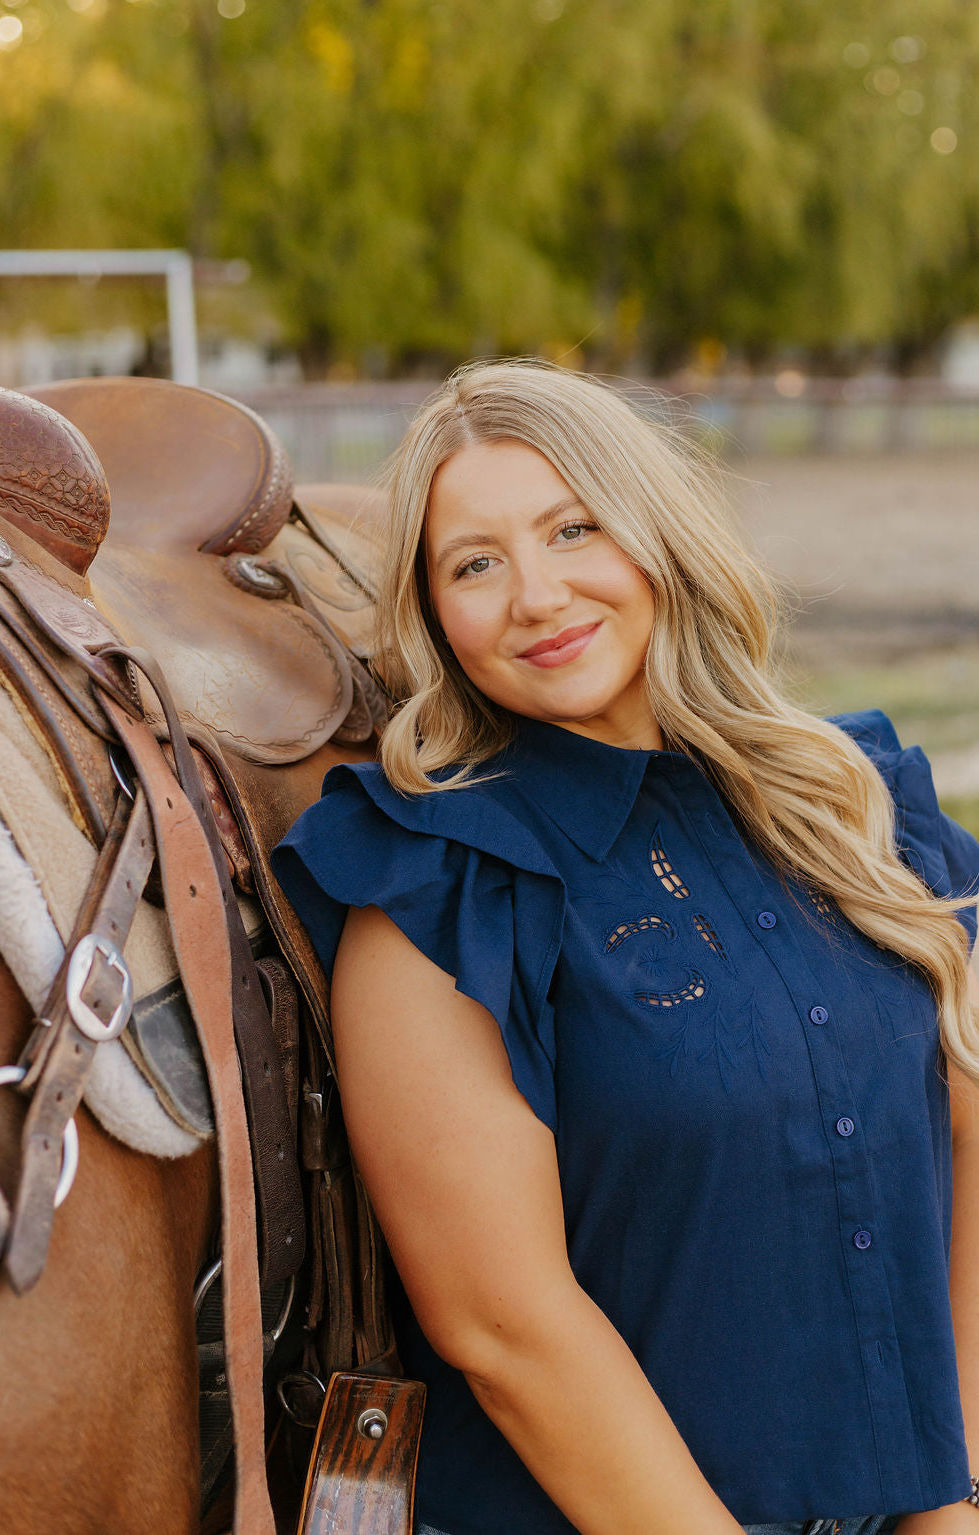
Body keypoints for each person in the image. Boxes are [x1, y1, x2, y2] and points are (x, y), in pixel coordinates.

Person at [271, 360, 979, 1535]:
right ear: (435, 612)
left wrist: (950, 1498)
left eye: (572, 528)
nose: (536, 595)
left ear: (659, 535)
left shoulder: (863, 800)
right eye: (475, 563)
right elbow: (504, 1327)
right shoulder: (440, 877)